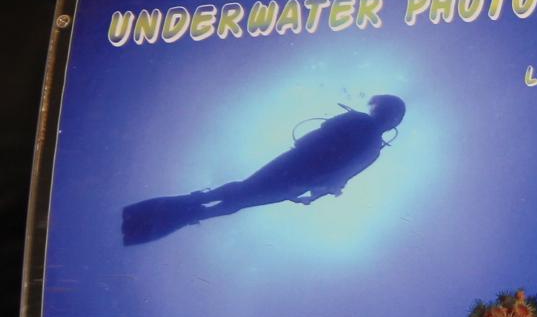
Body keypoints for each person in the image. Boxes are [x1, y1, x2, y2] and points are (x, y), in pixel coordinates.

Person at [121, 94, 405, 244]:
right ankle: (197, 210)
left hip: (296, 164)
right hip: (302, 177)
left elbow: (322, 137)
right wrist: (315, 193)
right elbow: (341, 178)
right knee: (245, 197)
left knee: (246, 190)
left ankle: (197, 203)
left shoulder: (361, 127)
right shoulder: (373, 148)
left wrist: (316, 186)